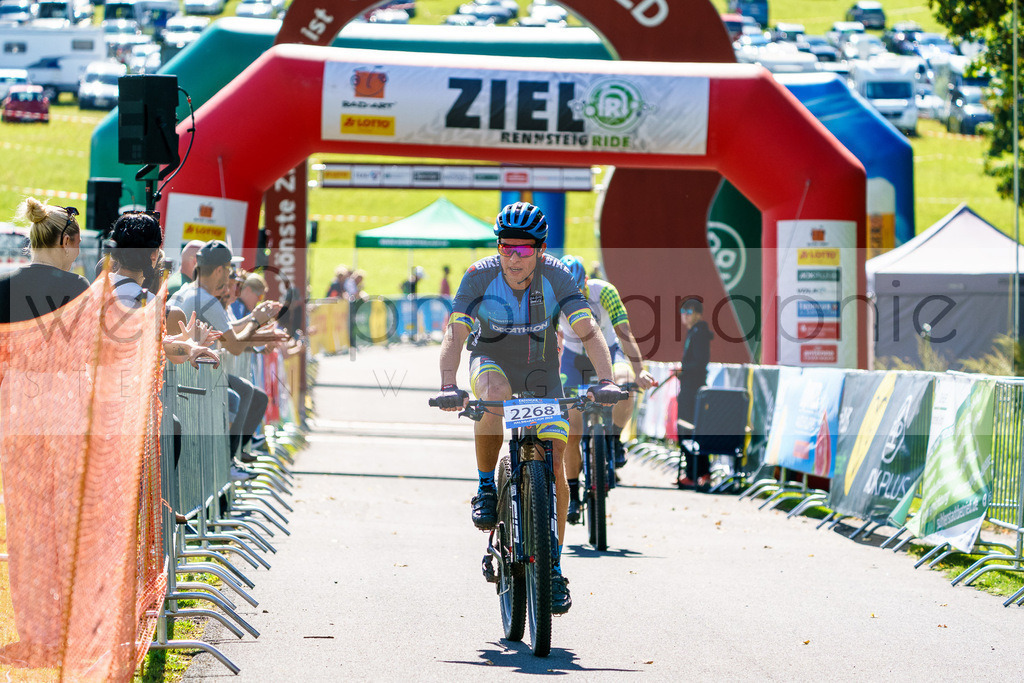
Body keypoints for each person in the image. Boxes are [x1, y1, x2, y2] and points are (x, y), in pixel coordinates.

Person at [433, 202, 622, 615]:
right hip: (492, 359)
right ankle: (486, 485)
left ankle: (551, 566)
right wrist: (448, 384)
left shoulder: (557, 275)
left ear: (540, 249)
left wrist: (607, 379)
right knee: (491, 393)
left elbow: (588, 332)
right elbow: (456, 331)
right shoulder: (479, 275)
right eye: (506, 248)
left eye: (523, 249)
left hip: (541, 370)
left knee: (555, 461)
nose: (513, 257)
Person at [557, 255, 657, 524]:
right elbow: (551, 339)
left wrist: (640, 371)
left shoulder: (605, 292)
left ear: (586, 282)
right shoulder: (553, 293)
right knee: (572, 428)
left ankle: (613, 438)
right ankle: (574, 492)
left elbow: (625, 333)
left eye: (579, 291)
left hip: (608, 351)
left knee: (626, 382)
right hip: (573, 358)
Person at [0, 198, 89, 323]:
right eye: (78, 244)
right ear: (66, 241)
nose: (78, 251)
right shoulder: (77, 286)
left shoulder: (3, 284)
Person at [676, 297, 714, 490]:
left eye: (689, 312)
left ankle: (697, 473)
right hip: (689, 389)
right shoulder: (695, 332)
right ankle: (694, 472)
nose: (685, 316)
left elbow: (700, 364)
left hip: (693, 391)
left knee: (690, 431)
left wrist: (683, 370)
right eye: (683, 312)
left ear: (699, 314)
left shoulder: (700, 333)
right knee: (686, 431)